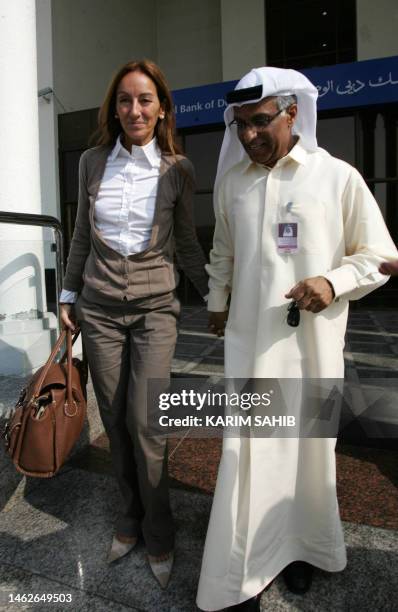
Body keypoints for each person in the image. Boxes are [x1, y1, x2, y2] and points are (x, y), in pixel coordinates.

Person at [196, 67, 398, 611]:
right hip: (251, 344)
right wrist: (217, 302)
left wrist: (332, 282)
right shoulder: (233, 181)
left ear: (292, 114)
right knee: (251, 453)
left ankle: (304, 552)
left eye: (260, 122)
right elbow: (223, 252)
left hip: (311, 347)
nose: (248, 136)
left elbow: (380, 256)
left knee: (308, 455)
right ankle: (244, 562)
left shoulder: (337, 178)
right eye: (240, 126)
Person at [60, 59, 208, 588]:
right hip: (98, 310)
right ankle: (129, 517)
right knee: (115, 418)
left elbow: (186, 240)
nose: (135, 109)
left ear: (162, 107)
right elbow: (80, 234)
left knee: (148, 422)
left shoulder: (177, 169)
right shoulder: (92, 162)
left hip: (154, 311)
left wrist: (216, 295)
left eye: (145, 99)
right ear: (114, 108)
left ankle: (160, 529)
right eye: (125, 100)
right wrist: (68, 295)